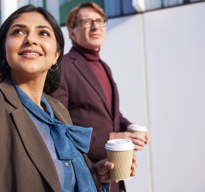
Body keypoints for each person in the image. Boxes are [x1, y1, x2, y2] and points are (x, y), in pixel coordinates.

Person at [0, 4, 136, 192]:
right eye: (18, 31)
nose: (30, 40)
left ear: (55, 55)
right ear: (4, 50)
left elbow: (59, 177)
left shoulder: (58, 110)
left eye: (43, 33)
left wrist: (96, 173)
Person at [51, 2, 150, 192]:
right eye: (87, 22)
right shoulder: (63, 67)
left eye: (99, 21)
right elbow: (59, 128)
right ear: (72, 32)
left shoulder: (105, 67)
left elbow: (113, 113)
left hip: (116, 178)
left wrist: (129, 128)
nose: (96, 26)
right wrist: (109, 138)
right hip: (88, 176)